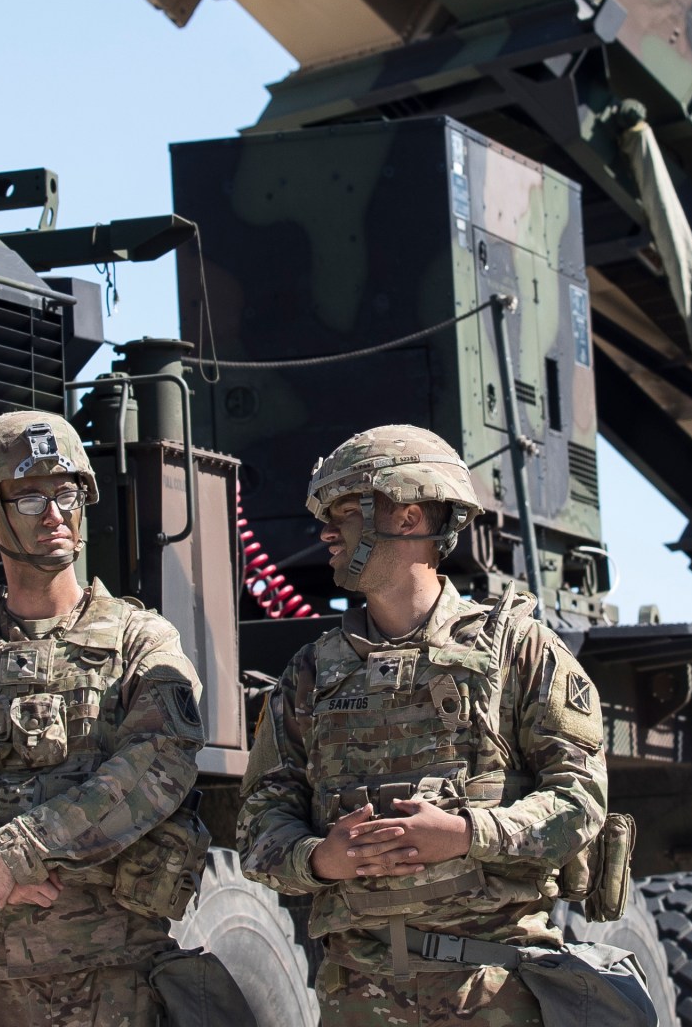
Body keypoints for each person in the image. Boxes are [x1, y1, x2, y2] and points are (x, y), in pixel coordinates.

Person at [237, 424, 609, 1027]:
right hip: (356, 997)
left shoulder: (519, 651)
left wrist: (467, 835)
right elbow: (257, 823)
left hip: (494, 993)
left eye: (344, 513)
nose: (326, 533)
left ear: (408, 518)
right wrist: (320, 859)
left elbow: (580, 802)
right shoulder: (311, 673)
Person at [0, 411, 209, 1027]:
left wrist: (18, 852)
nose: (56, 514)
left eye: (68, 494)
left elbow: (157, 767)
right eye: (32, 497)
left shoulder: (141, 641)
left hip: (115, 983)